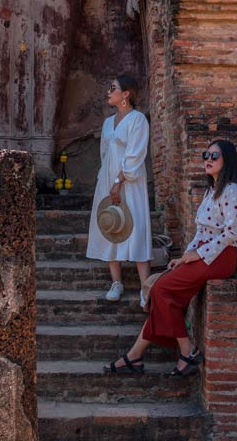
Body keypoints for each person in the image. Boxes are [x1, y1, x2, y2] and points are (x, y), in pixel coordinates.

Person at [103, 139, 237, 376]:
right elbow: (201, 231)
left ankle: (187, 350)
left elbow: (232, 233)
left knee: (161, 290)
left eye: (214, 156)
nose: (208, 160)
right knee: (161, 291)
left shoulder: (232, 190)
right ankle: (135, 355)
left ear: (227, 160)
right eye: (206, 155)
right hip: (202, 255)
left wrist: (197, 254)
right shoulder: (211, 190)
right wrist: (184, 257)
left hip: (220, 257)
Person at [86, 74, 152, 304]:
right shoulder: (107, 123)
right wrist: (106, 182)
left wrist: (119, 181)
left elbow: (135, 154)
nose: (108, 92)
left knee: (136, 227)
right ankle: (116, 281)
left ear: (126, 94)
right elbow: (105, 154)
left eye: (113, 88)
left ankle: (146, 287)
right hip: (107, 180)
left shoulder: (138, 120)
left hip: (130, 182)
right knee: (111, 225)